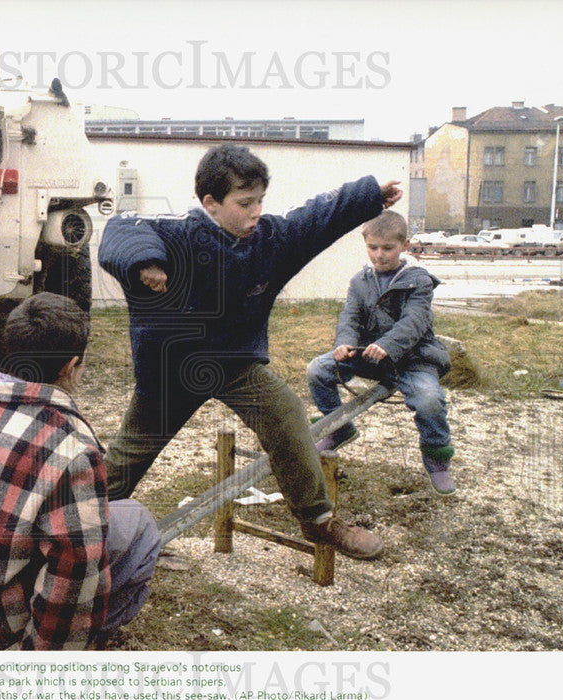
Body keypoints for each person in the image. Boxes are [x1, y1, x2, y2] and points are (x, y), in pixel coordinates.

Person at [98, 143, 402, 560]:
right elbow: (122, 225)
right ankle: (78, 522)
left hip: (235, 364)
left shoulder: (270, 241)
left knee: (287, 413)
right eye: (245, 203)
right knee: (127, 456)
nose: (256, 210)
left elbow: (315, 218)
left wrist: (367, 196)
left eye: (260, 200)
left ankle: (318, 520)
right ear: (211, 203)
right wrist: (144, 261)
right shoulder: (177, 232)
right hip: (172, 371)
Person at [0, 293, 161, 650]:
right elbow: (74, 576)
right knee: (141, 524)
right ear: (72, 366)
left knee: (122, 514)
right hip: (11, 626)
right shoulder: (73, 452)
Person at [306, 210, 455, 494]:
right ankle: (339, 426)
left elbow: (415, 322)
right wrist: (345, 343)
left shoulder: (419, 281)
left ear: (405, 246)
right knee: (318, 369)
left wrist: (387, 345)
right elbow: (349, 317)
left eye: (388, 248)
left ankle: (437, 458)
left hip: (413, 359)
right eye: (373, 248)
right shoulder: (360, 281)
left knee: (429, 399)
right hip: (369, 355)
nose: (379, 255)